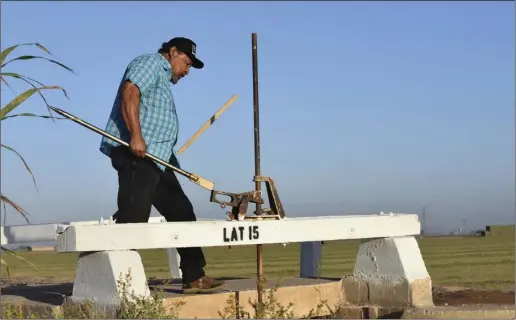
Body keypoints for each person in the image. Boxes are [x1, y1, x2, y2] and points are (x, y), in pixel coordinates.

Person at [99, 37, 224, 294]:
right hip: (138, 153)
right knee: (134, 218)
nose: (187, 71)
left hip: (159, 156)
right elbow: (130, 93)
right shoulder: (151, 63)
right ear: (173, 52)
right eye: (187, 63)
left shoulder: (164, 80)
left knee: (182, 211)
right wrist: (136, 136)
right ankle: (119, 285)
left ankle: (194, 276)